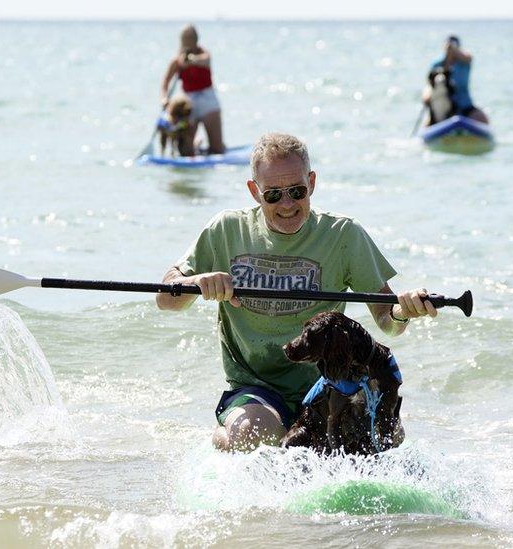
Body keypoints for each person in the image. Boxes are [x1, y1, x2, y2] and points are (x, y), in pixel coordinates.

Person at [156, 133, 437, 452]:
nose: (287, 204)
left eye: (297, 191)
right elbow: (165, 299)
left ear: (312, 183)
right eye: (273, 194)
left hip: (330, 387)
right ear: (254, 191)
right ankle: (226, 438)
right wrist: (197, 283)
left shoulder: (344, 235)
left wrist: (405, 310)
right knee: (252, 433)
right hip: (256, 390)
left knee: (390, 440)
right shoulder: (225, 230)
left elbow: (388, 320)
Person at [160, 24, 226, 155]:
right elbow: (165, 82)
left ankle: (215, 145)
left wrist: (190, 60)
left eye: (191, 38)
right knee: (186, 150)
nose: (189, 41)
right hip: (189, 103)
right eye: (186, 38)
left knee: (217, 149)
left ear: (196, 39)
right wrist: (164, 98)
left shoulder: (204, 54)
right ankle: (195, 144)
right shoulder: (176, 61)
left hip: (208, 99)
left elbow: (204, 60)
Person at [422, 35, 488, 125]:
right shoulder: (437, 64)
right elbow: (429, 84)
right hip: (443, 107)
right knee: (427, 123)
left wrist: (454, 49)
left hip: (464, 105)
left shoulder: (464, 63)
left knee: (482, 118)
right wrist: (427, 95)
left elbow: (469, 57)